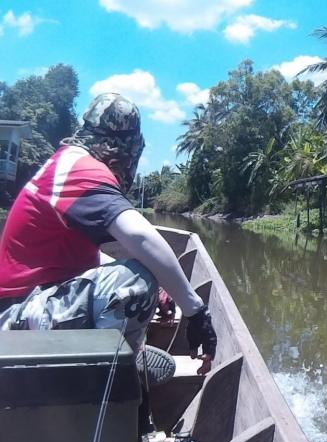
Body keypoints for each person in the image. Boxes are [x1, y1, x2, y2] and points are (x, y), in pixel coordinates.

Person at [0, 93, 215, 377]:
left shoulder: (66, 163)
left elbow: (86, 255)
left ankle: (121, 356)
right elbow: (141, 237)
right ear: (122, 147)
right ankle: (122, 384)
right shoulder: (82, 170)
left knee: (139, 275)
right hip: (15, 323)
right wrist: (195, 310)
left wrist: (166, 285)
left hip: (27, 309)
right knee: (136, 281)